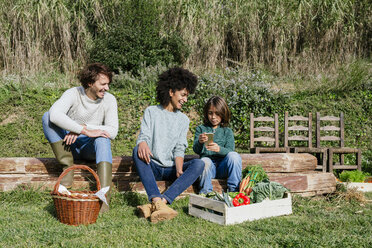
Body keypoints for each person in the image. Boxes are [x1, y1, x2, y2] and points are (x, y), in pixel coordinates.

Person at [42, 63, 118, 213]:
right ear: (90, 83)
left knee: (103, 137)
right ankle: (68, 170)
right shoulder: (73, 93)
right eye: (103, 84)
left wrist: (83, 128)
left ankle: (104, 197)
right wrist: (82, 129)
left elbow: (113, 131)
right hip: (68, 146)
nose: (107, 88)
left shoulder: (109, 100)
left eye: (108, 84)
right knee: (46, 117)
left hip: (90, 149)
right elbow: (54, 114)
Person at [133, 67, 205, 223]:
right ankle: (156, 200)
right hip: (152, 165)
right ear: (171, 92)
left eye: (187, 96)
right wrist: (142, 142)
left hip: (171, 168)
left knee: (199, 163)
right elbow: (143, 135)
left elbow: (180, 147)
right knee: (136, 150)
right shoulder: (151, 112)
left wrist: (179, 168)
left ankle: (161, 203)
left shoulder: (184, 120)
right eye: (183, 95)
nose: (185, 99)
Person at [193, 96, 242, 194]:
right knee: (204, 161)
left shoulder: (227, 131)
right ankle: (206, 192)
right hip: (209, 168)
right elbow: (196, 150)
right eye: (210, 113)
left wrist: (219, 149)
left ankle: (234, 190)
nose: (213, 117)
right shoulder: (201, 129)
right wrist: (199, 142)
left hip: (223, 167)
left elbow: (230, 150)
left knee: (234, 156)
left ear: (223, 113)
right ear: (207, 114)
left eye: (217, 114)